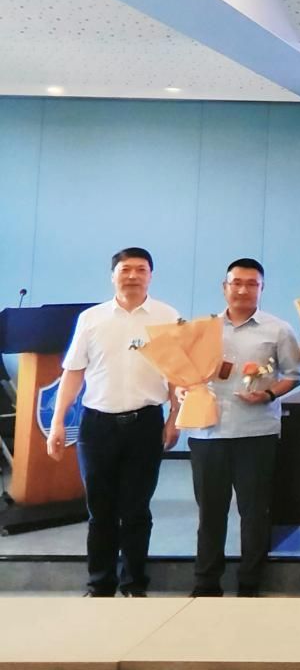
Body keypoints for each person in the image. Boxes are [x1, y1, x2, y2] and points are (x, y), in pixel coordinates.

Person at [45, 247, 181, 597]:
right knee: (100, 510)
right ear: (113, 276)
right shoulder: (91, 318)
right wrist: (58, 422)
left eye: (141, 269)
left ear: (151, 275)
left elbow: (177, 373)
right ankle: (100, 584)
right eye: (125, 269)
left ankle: (134, 584)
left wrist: (175, 418)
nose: (133, 276)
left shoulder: (167, 316)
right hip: (97, 426)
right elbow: (73, 372)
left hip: (145, 423)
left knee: (136, 509)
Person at [187, 258, 300, 597]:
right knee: (210, 513)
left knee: (254, 513)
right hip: (208, 432)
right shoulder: (202, 329)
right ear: (224, 287)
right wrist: (182, 389)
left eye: (252, 284)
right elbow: (183, 372)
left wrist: (268, 394)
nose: (243, 290)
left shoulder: (278, 329)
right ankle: (206, 582)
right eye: (236, 283)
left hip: (256, 433)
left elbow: (294, 375)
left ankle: (250, 583)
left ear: (262, 289)